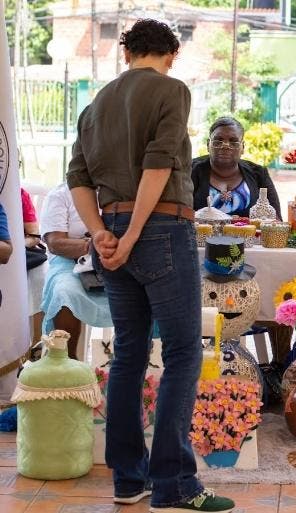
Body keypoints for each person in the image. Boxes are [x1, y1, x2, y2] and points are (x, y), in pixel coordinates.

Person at [66, 19, 234, 512]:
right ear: (171, 54)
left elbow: (78, 177)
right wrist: (134, 233)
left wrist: (101, 232)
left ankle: (127, 481)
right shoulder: (170, 90)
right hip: (158, 229)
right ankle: (175, 484)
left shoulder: (95, 105)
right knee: (183, 353)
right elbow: (159, 165)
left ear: (126, 54)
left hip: (112, 231)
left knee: (129, 355)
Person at [39, 183, 112, 359]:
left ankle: (140, 365)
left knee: (148, 290)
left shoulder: (118, 190)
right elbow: (55, 243)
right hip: (67, 262)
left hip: (114, 258)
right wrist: (93, 246)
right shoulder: (60, 194)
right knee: (65, 292)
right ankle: (65, 360)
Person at [191, 117, 281, 219]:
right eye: (218, 140)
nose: (225, 146)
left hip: (250, 234)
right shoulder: (190, 171)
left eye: (233, 141)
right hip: (200, 234)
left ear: (243, 147)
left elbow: (276, 220)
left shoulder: (259, 174)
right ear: (208, 145)